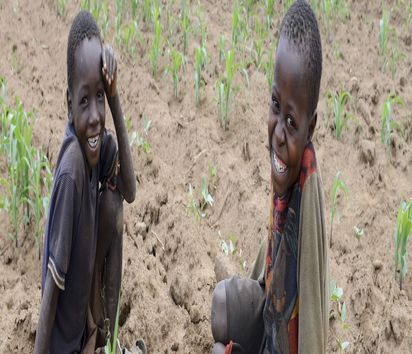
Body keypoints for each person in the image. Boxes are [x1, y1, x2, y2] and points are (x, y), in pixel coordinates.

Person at [211, 1, 329, 353]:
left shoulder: (306, 187)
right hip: (271, 331)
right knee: (223, 306)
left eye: (292, 122)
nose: (278, 132)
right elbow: (272, 254)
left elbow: (311, 319)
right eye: (275, 106)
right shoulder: (285, 164)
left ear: (311, 127)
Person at [34, 10, 135, 354]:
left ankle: (104, 332)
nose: (94, 116)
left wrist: (116, 97)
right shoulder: (72, 170)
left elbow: (130, 190)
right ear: (68, 102)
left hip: (83, 332)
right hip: (64, 347)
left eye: (100, 98)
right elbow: (50, 292)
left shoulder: (97, 143)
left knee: (113, 203)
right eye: (83, 101)